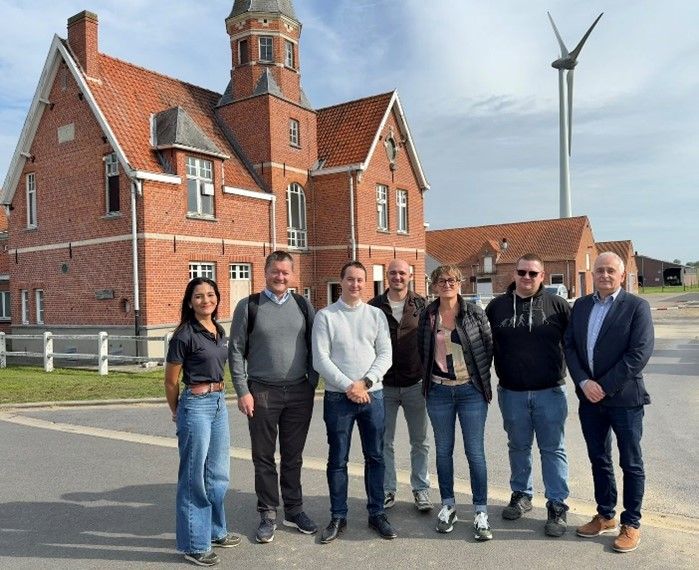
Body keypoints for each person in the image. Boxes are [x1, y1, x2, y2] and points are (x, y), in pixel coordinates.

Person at [564, 252, 654, 553]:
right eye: (599, 270)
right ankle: (605, 515)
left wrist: (602, 386)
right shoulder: (581, 306)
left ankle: (631, 523)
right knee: (598, 459)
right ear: (593, 274)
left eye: (610, 271)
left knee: (630, 462)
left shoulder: (637, 307)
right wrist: (583, 382)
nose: (604, 275)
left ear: (622, 273)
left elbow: (638, 354)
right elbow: (570, 347)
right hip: (589, 399)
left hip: (625, 399)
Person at [229, 251, 318, 544]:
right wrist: (243, 391)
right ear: (265, 272)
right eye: (275, 272)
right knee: (264, 456)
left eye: (285, 273)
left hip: (298, 392)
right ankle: (268, 512)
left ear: (292, 275)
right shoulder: (249, 306)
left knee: (293, 456)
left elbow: (315, 348)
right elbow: (236, 351)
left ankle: (294, 509)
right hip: (262, 391)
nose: (280, 277)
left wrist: (310, 385)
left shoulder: (303, 305)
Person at [485, 253, 571, 537]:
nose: (527, 278)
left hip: (550, 392)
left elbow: (574, 346)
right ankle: (521, 495)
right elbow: (483, 349)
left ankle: (557, 505)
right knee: (518, 447)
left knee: (553, 449)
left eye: (533, 274)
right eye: (522, 272)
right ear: (514, 274)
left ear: (542, 276)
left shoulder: (558, 306)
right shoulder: (496, 308)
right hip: (512, 393)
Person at [312, 260, 395, 543]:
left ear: (366, 283)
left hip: (373, 394)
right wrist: (350, 386)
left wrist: (365, 383)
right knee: (338, 459)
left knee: (375, 456)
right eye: (350, 279)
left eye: (360, 280)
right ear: (341, 281)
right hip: (339, 398)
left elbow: (385, 354)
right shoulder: (326, 316)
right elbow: (320, 359)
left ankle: (377, 513)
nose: (355, 284)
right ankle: (338, 515)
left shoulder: (375, 315)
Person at [165, 277, 240, 567]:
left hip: (219, 402)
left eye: (210, 295)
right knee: (193, 477)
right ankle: (195, 544)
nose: (205, 300)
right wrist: (177, 411)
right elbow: (171, 381)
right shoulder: (184, 335)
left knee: (218, 474)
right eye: (198, 296)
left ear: (217, 298)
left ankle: (216, 531)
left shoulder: (218, 330)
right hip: (195, 405)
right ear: (189, 302)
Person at [417, 264, 494, 542]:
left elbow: (487, 349)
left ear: (460, 283)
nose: (446, 284)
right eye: (441, 281)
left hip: (470, 391)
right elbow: (422, 352)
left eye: (451, 280)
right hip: (439, 392)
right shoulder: (428, 314)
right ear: (434, 286)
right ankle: (448, 505)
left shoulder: (474, 313)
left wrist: (477, 381)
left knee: (475, 453)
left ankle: (481, 511)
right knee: (443, 451)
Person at [368, 258, 431, 512]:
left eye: (402, 273)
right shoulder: (373, 307)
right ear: (387, 276)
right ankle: (387, 489)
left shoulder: (422, 305)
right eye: (393, 273)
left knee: (420, 441)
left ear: (410, 275)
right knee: (385, 442)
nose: (397, 277)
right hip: (385, 387)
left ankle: (421, 489)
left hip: (416, 384)